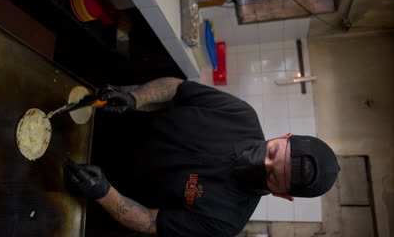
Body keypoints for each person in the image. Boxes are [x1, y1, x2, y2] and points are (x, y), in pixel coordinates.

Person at [63, 77, 340, 236]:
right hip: (98, 123)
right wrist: (135, 98)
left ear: (283, 195)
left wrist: (101, 191)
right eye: (271, 153)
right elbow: (177, 88)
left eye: (270, 175)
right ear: (284, 137)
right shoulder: (240, 114)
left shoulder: (226, 221)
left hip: (86, 186)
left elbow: (151, 221)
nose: (259, 162)